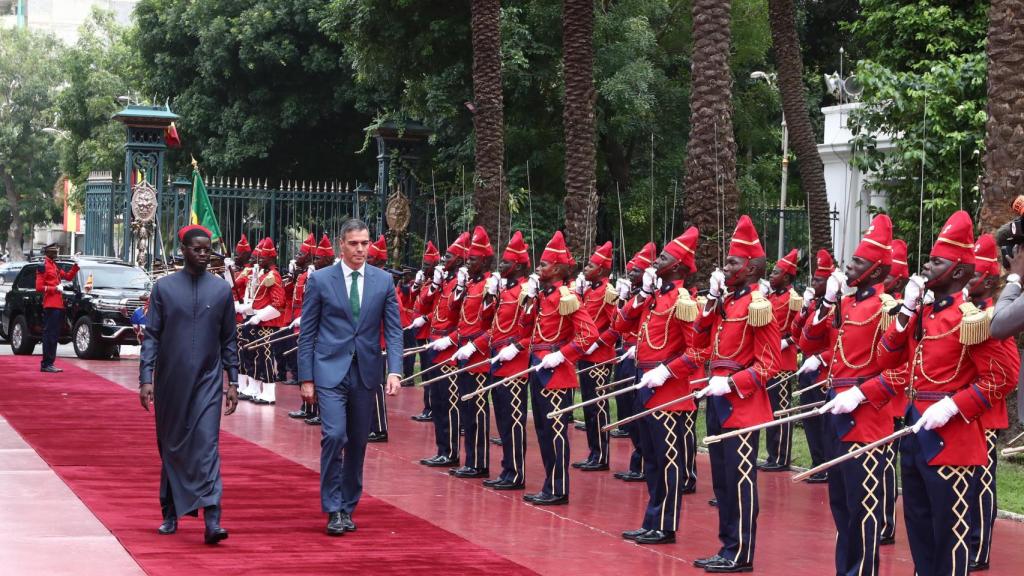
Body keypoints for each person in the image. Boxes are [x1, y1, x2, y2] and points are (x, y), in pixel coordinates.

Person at [860, 210, 1016, 576]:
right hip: (915, 435)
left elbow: (1003, 377)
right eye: (928, 259)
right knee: (919, 529)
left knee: (949, 537)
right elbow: (884, 357)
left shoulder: (971, 319)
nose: (926, 267)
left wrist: (953, 405)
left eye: (936, 261)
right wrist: (907, 310)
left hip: (953, 440)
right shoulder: (922, 315)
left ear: (960, 272)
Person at [802, 214, 901, 576]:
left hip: (866, 421)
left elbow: (902, 370)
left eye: (858, 261)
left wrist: (862, 394)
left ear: (876, 271)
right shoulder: (847, 305)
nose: (849, 266)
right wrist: (826, 304)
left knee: (863, 511)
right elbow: (807, 343)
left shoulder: (887, 310)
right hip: (836, 414)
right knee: (841, 506)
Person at [297, 219, 403, 536]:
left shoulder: (383, 281)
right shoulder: (321, 280)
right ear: (342, 245)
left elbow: (394, 331)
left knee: (357, 442)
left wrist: (395, 369)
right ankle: (332, 507)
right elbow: (308, 332)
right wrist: (306, 377)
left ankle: (347, 507)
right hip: (329, 370)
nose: (360, 249)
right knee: (334, 435)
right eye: (354, 243)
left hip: (365, 372)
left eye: (365, 243)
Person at [691, 215, 781, 573]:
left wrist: (730, 383)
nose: (725, 267)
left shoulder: (758, 305)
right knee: (722, 481)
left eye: (732, 262)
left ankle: (741, 552)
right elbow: (699, 339)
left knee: (740, 480)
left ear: (752, 267)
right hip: (717, 399)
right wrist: (712, 301)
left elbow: (768, 364)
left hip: (741, 405)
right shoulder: (729, 302)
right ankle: (727, 546)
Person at [139, 224, 238, 544]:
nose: (203, 254)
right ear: (183, 250)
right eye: (196, 249)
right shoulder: (164, 288)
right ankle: (169, 511)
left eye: (207, 249)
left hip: (208, 382)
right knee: (173, 446)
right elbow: (152, 336)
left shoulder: (222, 291)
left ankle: (213, 518)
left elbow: (229, 340)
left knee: (207, 446)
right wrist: (145, 378)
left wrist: (233, 380)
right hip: (170, 382)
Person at [616, 227, 701, 545]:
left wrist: (667, 372)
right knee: (650, 456)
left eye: (664, 257)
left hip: (667, 390)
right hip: (644, 384)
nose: (656, 261)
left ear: (678, 266)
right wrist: (640, 296)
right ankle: (652, 519)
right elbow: (620, 324)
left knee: (667, 460)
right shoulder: (654, 298)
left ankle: (665, 525)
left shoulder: (681, 300)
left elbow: (697, 352)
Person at [517, 231, 598, 506]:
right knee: (542, 429)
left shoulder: (566, 296)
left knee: (554, 432)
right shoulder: (543, 296)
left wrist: (562, 355)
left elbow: (589, 334)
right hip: (538, 368)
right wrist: (528, 301)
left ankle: (559, 488)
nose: (538, 269)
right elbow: (526, 329)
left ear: (558, 269)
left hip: (556, 372)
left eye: (543, 265)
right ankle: (550, 485)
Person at [966, 234, 1016, 571]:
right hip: (959, 412)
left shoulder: (995, 315)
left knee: (980, 484)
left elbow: (1007, 372)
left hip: (983, 413)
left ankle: (979, 548)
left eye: (971, 274)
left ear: (986, 278)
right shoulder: (964, 310)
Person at [472, 230, 531, 490]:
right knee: (504, 420)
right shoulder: (506, 291)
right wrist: (488, 297)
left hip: (515, 364)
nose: (501, 266)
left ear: (517, 265)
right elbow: (489, 323)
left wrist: (516, 348)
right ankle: (507, 469)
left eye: (506, 263)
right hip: (498, 360)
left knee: (514, 421)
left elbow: (532, 330)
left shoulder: (525, 292)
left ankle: (516, 473)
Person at [415, 232, 471, 468]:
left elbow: (466, 317)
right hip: (434, 345)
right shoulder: (443, 282)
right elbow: (423, 305)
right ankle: (442, 449)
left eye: (448, 256)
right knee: (437, 401)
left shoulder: (462, 283)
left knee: (449, 402)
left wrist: (450, 340)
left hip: (449, 348)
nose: (442, 260)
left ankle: (451, 452)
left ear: (458, 260)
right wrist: (434, 284)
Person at [446, 226, 498, 477]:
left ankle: (479, 462)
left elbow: (493, 326)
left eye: (473, 259)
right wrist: (459, 287)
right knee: (466, 409)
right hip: (464, 351)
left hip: (478, 355)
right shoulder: (471, 284)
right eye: (468, 259)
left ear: (486, 260)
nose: (469, 262)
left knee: (477, 410)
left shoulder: (490, 284)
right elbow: (455, 313)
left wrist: (473, 346)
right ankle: (470, 460)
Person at [573, 241, 617, 472]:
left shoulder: (607, 292)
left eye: (590, 265)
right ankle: (593, 452)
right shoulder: (590, 291)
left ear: (600, 270)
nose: (585, 269)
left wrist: (597, 343)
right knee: (589, 407)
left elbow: (616, 326)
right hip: (586, 355)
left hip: (599, 357)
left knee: (598, 407)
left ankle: (601, 455)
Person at [792, 249, 835, 484]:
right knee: (809, 420)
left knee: (820, 423)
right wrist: (804, 309)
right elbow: (796, 333)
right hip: (807, 369)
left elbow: (838, 346)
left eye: (818, 280)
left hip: (822, 373)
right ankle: (817, 461)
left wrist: (820, 359)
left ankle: (824, 464)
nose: (814, 283)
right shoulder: (816, 307)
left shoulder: (835, 309)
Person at [879, 237, 910, 544]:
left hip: (894, 402)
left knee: (887, 466)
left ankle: (885, 525)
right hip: (873, 400)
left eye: (888, 275)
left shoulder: (900, 308)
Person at [760, 248, 802, 472]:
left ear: (786, 276)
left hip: (783, 362)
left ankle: (782, 456)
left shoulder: (793, 299)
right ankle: (771, 454)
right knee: (769, 409)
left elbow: (800, 327)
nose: (771, 275)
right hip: (768, 359)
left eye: (775, 272)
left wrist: (789, 341)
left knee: (781, 410)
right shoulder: (770, 297)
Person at [237, 238, 286, 405]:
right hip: (257, 321)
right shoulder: (264, 275)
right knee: (254, 356)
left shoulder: (273, 276)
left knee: (265, 357)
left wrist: (258, 316)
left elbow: (278, 304)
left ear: (270, 259)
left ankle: (269, 392)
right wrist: (248, 311)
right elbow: (258, 301)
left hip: (267, 324)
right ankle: (255, 388)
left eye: (261, 258)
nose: (257, 261)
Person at [405, 241, 441, 422]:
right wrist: (417, 283)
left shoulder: (438, 283)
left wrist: (425, 318)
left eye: (427, 265)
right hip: (420, 332)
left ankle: (432, 408)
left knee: (429, 372)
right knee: (426, 371)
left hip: (429, 331)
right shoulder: (426, 281)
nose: (424, 267)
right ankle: (428, 407)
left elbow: (435, 306)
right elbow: (413, 298)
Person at [287, 234, 317, 420]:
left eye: (301, 254)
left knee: (310, 366)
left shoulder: (314, 276)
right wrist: (292, 275)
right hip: (298, 320)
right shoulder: (303, 275)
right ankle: (305, 406)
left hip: (308, 322)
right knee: (301, 364)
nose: (297, 256)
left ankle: (313, 408)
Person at [35, 243, 79, 373]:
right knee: (49, 335)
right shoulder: (43, 266)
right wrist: (55, 288)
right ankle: (46, 363)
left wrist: (76, 265)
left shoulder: (54, 266)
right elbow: (39, 288)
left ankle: (50, 363)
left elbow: (68, 276)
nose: (56, 254)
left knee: (54, 335)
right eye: (54, 252)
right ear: (48, 253)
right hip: (50, 304)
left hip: (57, 304)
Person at [366, 235, 391, 441]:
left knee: (376, 387)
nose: (366, 259)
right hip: (367, 342)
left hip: (378, 342)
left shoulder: (384, 281)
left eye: (371, 257)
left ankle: (380, 428)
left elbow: (396, 313)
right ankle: (371, 425)